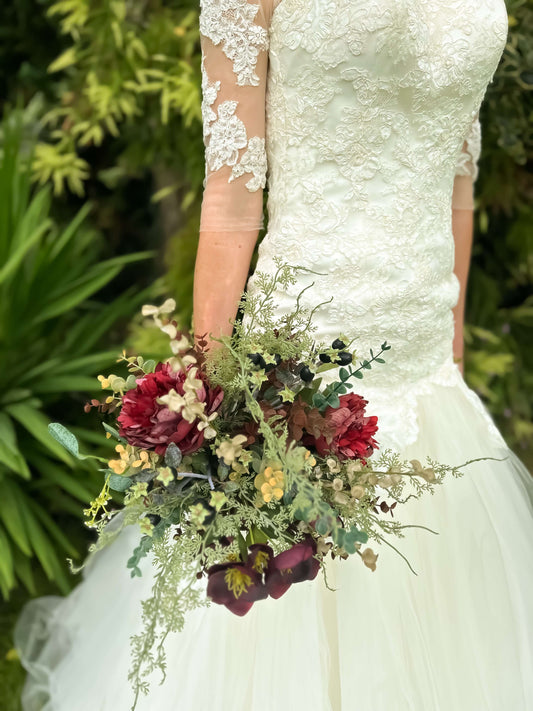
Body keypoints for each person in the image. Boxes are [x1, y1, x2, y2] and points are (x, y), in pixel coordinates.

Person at [16, 1, 533, 709]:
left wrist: (451, 356)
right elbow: (231, 200)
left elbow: (456, 181)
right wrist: (205, 404)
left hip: (429, 377)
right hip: (302, 379)